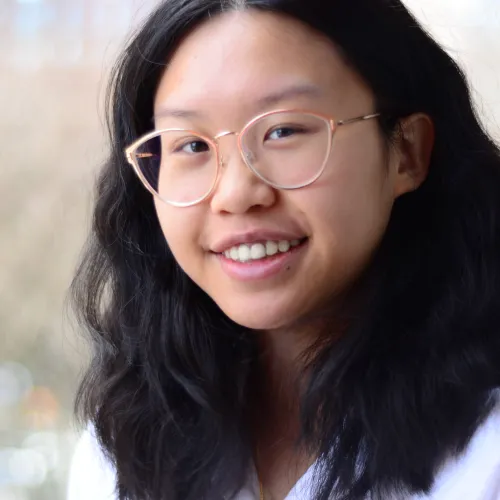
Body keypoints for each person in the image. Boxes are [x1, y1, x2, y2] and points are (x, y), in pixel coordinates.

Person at [67, 0, 500, 499]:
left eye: (284, 131)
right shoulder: (122, 449)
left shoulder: (484, 449)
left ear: (406, 152)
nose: (235, 194)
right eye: (191, 145)